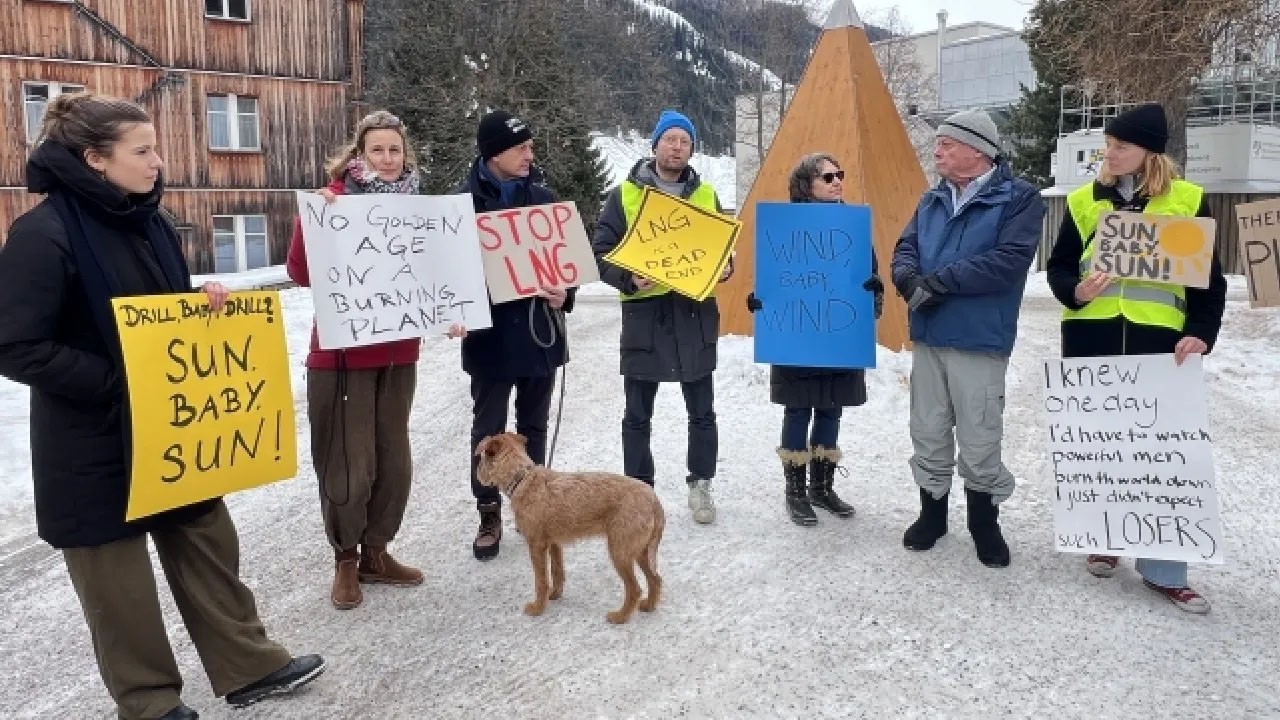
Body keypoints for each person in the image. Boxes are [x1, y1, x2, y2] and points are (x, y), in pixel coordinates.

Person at [0, 92, 323, 720]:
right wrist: (119, 381)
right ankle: (150, 703)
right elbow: (15, 346)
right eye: (142, 150)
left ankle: (250, 664)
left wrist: (201, 307)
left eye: (155, 148)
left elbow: (158, 319)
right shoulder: (42, 234)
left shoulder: (148, 220)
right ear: (95, 159)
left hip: (172, 429)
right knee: (116, 586)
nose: (158, 161)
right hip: (88, 442)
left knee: (207, 541)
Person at [1046, 103, 1226, 613]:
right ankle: (1104, 536)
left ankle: (1167, 569)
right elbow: (1059, 268)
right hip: (1092, 338)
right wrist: (1075, 291)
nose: (1111, 153)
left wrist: (1200, 332)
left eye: (1121, 145)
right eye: (1108, 146)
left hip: (1160, 346)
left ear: (1150, 151)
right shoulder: (1085, 201)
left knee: (1162, 455)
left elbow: (1211, 284)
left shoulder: (1188, 199)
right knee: (1102, 448)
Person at [287, 110, 465, 609]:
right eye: (377, 150)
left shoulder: (422, 211)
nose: (387, 159)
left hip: (399, 356)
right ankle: (345, 558)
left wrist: (454, 309)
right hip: (342, 355)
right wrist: (312, 221)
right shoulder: (334, 202)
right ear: (359, 154)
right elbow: (300, 273)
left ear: (405, 154)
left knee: (393, 462)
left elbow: (442, 275)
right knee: (349, 463)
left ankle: (376, 552)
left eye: (395, 150)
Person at [891, 109, 1045, 568]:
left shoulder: (1019, 199)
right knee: (928, 430)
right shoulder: (932, 199)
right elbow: (906, 247)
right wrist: (905, 277)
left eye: (947, 143)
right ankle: (932, 515)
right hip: (930, 335)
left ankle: (984, 523)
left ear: (977, 150)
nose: (937, 150)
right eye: (937, 143)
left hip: (980, 339)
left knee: (980, 436)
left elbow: (1009, 260)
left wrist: (938, 283)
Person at [592, 109, 732, 524]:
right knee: (637, 414)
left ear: (691, 150)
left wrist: (725, 266)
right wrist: (627, 278)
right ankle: (638, 492)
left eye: (684, 141)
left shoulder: (706, 196)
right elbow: (600, 251)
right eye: (669, 139)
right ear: (654, 145)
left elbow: (722, 249)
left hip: (694, 316)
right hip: (646, 318)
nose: (676, 147)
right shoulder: (624, 196)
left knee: (702, 412)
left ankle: (701, 484)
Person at [456, 110, 573, 560]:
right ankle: (488, 510)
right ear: (493, 153)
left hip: (538, 334)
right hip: (489, 341)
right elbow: (446, 273)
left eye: (530, 147)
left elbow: (566, 262)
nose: (530, 154)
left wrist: (567, 294)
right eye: (520, 147)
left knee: (533, 427)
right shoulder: (460, 205)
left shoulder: (543, 198)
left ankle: (534, 506)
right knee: (488, 430)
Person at [744, 153, 884, 526]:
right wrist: (761, 303)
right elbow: (771, 283)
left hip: (838, 337)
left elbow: (869, 276)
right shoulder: (784, 228)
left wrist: (872, 291)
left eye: (840, 174)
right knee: (798, 410)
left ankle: (822, 488)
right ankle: (795, 492)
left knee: (831, 408)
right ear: (807, 185)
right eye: (828, 177)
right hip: (798, 338)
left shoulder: (853, 226)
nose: (838, 181)